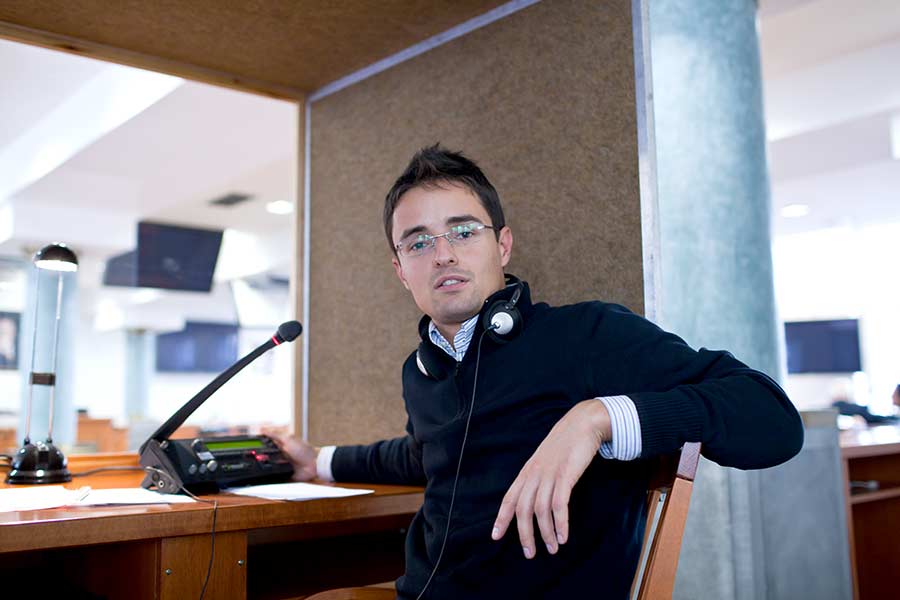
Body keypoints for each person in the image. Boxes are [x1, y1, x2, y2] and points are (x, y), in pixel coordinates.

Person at [275, 145, 804, 599]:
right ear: (400, 270)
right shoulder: (423, 370)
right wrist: (316, 461)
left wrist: (596, 418)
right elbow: (423, 454)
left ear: (502, 245)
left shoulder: (585, 335)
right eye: (418, 242)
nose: (442, 255)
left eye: (462, 231)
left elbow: (772, 418)